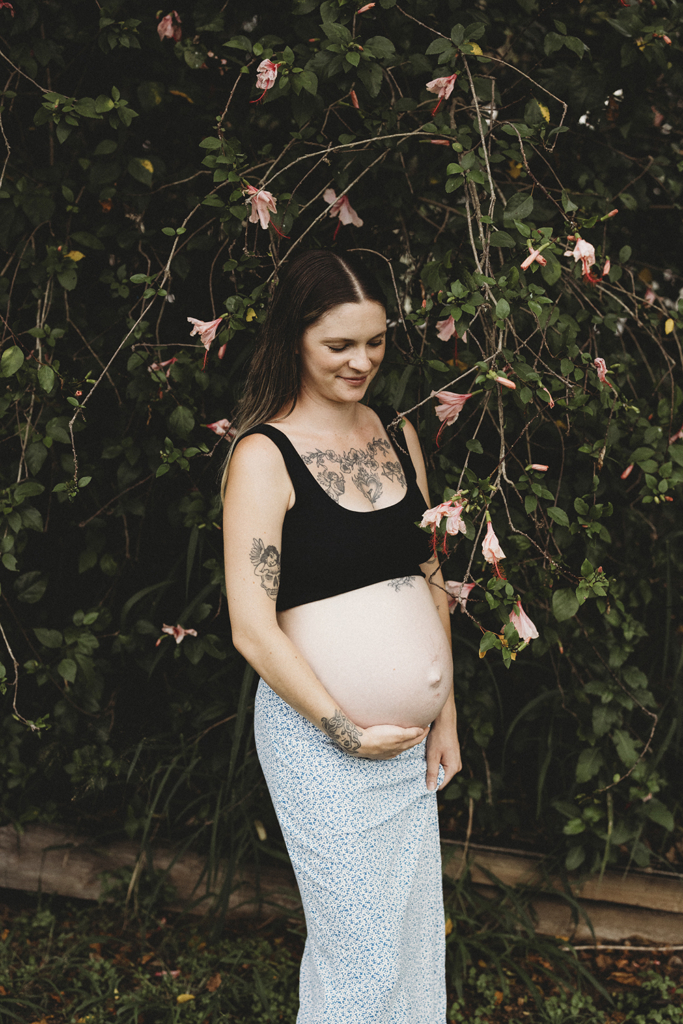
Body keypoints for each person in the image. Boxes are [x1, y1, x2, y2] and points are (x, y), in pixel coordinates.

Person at [221, 249, 462, 1024]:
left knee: (414, 948)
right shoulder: (265, 457)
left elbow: (429, 580)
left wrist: (444, 713)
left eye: (376, 341)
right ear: (295, 338)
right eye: (339, 346)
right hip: (319, 741)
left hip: (402, 743)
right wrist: (344, 731)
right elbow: (252, 632)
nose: (362, 362)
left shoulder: (394, 434)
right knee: (358, 954)